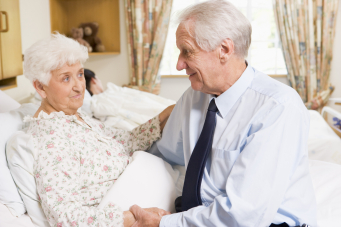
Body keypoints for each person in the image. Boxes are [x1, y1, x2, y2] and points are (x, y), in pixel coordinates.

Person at [130, 0, 317, 226]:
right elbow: (163, 152)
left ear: (225, 50)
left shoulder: (278, 107)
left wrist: (166, 224)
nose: (179, 64)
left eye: (187, 51)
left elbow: (245, 215)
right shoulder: (194, 96)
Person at [22, 33, 173, 227]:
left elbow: (123, 141)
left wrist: (163, 117)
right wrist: (134, 218)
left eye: (79, 74)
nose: (79, 86)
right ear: (41, 87)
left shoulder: (76, 116)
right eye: (66, 78)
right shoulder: (50, 140)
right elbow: (65, 217)